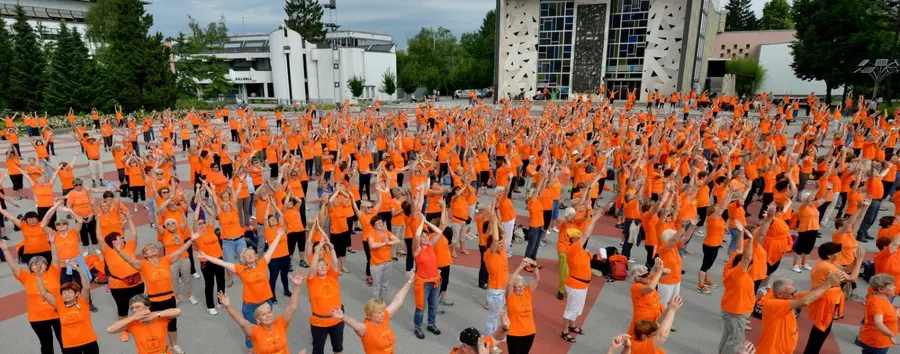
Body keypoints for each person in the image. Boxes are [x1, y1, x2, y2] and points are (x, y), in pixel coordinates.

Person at [114, 223, 198, 354]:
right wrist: (119, 251)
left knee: (172, 324)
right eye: (149, 249)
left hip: (169, 298)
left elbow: (180, 250)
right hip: (154, 301)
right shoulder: (143, 265)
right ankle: (158, 346)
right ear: (145, 254)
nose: (153, 249)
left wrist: (191, 240)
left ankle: (174, 345)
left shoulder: (166, 260)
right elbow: (130, 260)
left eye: (154, 247)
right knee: (155, 325)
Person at [195, 228, 284, 352]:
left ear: (255, 256)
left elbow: (271, 249)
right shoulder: (240, 269)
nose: (250, 256)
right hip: (250, 306)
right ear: (244, 259)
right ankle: (252, 350)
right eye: (246, 255)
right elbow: (221, 263)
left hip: (266, 303)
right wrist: (206, 256)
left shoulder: (263, 263)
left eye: (251, 254)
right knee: (250, 331)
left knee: (266, 327)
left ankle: (267, 348)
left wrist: (279, 235)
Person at [756, 271, 846, 354]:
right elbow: (805, 301)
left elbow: (811, 294)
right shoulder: (773, 304)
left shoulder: (788, 298)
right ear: (780, 294)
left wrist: (829, 284)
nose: (795, 295)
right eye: (792, 293)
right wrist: (828, 283)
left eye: (795, 291)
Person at [0, 239, 63, 354]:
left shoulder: (53, 272)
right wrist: (5, 250)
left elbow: (56, 258)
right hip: (37, 318)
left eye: (41, 263)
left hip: (59, 313)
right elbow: (13, 266)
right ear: (30, 267)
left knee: (65, 342)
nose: (38, 265)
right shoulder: (26, 277)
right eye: (35, 263)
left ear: (46, 265)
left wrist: (53, 243)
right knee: (46, 344)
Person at [218, 272, 306, 354]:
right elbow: (242, 322)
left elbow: (292, 307)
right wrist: (229, 306)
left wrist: (297, 286)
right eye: (263, 314)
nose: (268, 315)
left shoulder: (280, 323)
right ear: (258, 320)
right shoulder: (255, 332)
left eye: (269, 312)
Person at [332, 271, 415, 354]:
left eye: (382, 311)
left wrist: (410, 281)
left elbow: (397, 300)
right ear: (370, 315)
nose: (382, 314)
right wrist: (343, 316)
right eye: (379, 313)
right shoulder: (365, 329)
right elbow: (355, 324)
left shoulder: (384, 317)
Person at [34, 259, 98, 354]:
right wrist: (38, 276)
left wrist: (79, 270)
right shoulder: (59, 305)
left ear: (77, 294)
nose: (66, 294)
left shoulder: (83, 301)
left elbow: (86, 287)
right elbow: (43, 293)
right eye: (64, 292)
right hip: (70, 345)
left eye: (69, 292)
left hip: (89, 341)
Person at [718, 222, 755, 354]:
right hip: (736, 313)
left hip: (733, 310)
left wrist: (740, 233)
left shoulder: (731, 266)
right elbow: (746, 258)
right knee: (736, 341)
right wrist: (750, 240)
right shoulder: (737, 273)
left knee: (728, 336)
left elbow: (739, 250)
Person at [304, 235, 345, 354]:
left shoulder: (333, 276)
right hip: (319, 322)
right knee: (318, 350)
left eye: (324, 265)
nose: (322, 267)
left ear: (327, 267)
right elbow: (311, 268)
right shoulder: (312, 280)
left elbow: (335, 263)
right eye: (319, 266)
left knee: (338, 348)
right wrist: (317, 252)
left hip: (336, 320)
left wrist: (331, 249)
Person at [105, 294, 183, 354]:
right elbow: (110, 330)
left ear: (148, 306)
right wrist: (132, 318)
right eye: (132, 308)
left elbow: (178, 311)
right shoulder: (133, 324)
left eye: (138, 307)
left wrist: (155, 315)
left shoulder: (159, 318)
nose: (135, 310)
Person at [857, 274, 899, 353]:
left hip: (879, 340)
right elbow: (878, 322)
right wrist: (891, 334)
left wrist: (895, 314)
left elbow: (883, 314)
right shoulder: (877, 303)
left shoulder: (881, 298)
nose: (895, 287)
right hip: (876, 342)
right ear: (881, 289)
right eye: (891, 286)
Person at [506, 257, 539, 353]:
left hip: (529, 332)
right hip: (514, 334)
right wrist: (520, 267)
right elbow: (510, 282)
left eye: (522, 286)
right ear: (513, 288)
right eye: (518, 287)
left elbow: (536, 278)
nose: (521, 289)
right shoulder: (510, 296)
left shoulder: (527, 292)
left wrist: (534, 265)